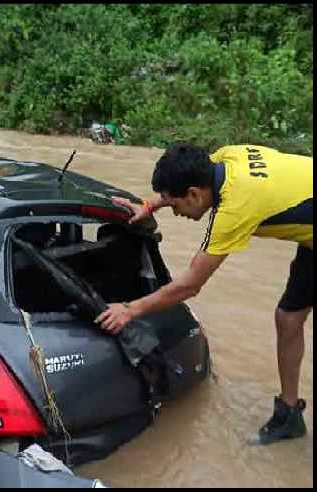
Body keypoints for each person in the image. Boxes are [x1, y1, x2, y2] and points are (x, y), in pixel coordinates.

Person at [95, 143, 312, 445]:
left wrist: (129, 310)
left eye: (175, 206)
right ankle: (289, 414)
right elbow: (188, 183)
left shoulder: (236, 208)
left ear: (195, 194)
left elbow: (190, 285)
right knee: (288, 319)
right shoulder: (227, 157)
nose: (177, 213)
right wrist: (150, 204)